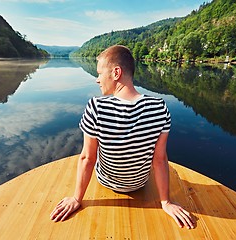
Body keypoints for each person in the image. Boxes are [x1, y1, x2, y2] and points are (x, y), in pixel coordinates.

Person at [50, 45, 195, 229]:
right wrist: (165, 202)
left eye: (100, 73)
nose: (97, 80)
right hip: (140, 183)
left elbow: (88, 158)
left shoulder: (96, 107)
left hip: (106, 181)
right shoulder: (159, 107)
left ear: (116, 72)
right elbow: (159, 159)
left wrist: (76, 198)